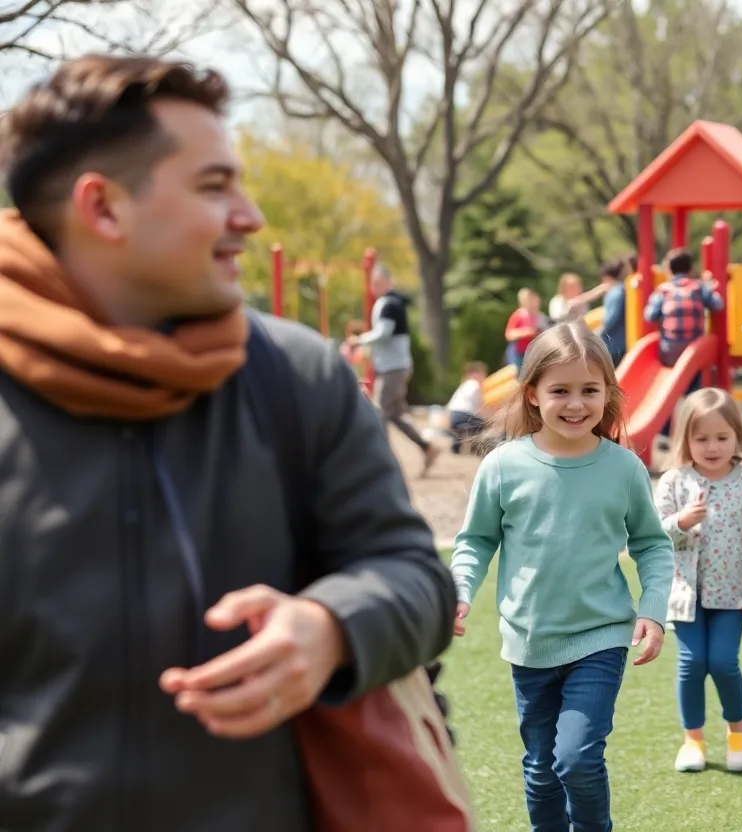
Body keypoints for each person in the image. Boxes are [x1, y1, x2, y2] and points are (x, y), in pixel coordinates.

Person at [0, 54, 456, 830]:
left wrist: (332, 627)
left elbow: (417, 579)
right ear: (103, 208)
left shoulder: (299, 377)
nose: (250, 215)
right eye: (215, 186)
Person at [449, 322, 674, 832]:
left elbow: (652, 545)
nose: (576, 403)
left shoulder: (624, 468)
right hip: (528, 641)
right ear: (532, 394)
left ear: (608, 393)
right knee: (542, 770)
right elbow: (476, 540)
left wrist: (653, 611)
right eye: (561, 391)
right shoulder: (503, 466)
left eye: (590, 390)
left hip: (600, 636)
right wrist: (460, 590)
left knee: (576, 759)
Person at [654, 388, 742, 774]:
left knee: (722, 662)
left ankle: (738, 730)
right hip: (684, 595)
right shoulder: (674, 481)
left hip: (732, 596)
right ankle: (694, 740)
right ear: (685, 438)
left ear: (738, 436)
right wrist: (680, 523)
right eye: (701, 438)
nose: (712, 446)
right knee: (692, 664)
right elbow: (653, 536)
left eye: (721, 437)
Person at [351, 265, 440, 473]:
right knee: (395, 415)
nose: (374, 287)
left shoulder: (389, 304)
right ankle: (427, 447)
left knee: (379, 411)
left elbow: (384, 332)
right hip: (395, 366)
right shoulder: (392, 303)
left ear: (388, 282)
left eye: (378, 283)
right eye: (373, 283)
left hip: (393, 368)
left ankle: (382, 464)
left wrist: (360, 340)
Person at [643, 248, 724, 369]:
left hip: (670, 347)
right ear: (690, 269)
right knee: (696, 371)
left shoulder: (664, 290)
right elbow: (718, 305)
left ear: (669, 269)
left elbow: (650, 316)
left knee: (669, 367)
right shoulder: (698, 287)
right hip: (695, 346)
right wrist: (710, 286)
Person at [446, 361, 489, 453]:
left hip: (453, 414)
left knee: (463, 428)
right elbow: (477, 405)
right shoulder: (474, 385)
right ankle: (476, 449)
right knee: (480, 424)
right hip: (463, 414)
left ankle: (456, 448)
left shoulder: (464, 384)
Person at [504, 287, 543, 372]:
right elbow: (509, 334)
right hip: (520, 352)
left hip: (535, 352)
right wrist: (525, 332)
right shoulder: (518, 315)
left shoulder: (541, 316)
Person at [598, 257, 628, 365]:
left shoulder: (616, 293)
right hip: (619, 341)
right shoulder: (620, 289)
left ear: (606, 278)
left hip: (614, 343)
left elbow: (611, 318)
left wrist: (597, 333)